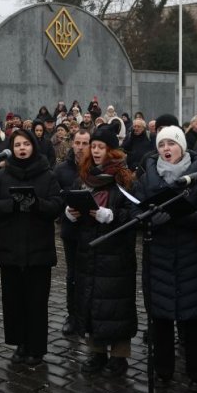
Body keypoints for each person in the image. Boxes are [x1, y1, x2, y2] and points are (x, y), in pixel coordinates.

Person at [135, 126, 197, 391]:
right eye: (162, 145)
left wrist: (183, 217)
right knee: (160, 319)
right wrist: (149, 220)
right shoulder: (148, 177)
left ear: (182, 146)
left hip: (191, 257)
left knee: (193, 320)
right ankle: (162, 371)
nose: (166, 149)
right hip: (158, 256)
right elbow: (134, 209)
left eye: (171, 144)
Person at [0, 129, 63, 366]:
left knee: (37, 301)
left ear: (33, 146)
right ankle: (19, 344)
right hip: (10, 248)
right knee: (14, 301)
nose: (21, 148)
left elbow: (57, 204)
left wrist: (37, 204)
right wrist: (13, 204)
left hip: (39, 248)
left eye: (25, 144)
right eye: (17, 144)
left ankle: (36, 348)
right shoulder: (0, 176)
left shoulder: (47, 175)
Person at [66, 126, 137, 377]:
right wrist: (70, 214)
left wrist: (112, 216)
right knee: (91, 301)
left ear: (111, 150)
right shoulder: (84, 177)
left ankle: (119, 357)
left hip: (116, 254)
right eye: (93, 147)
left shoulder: (123, 178)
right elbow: (74, 207)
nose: (95, 151)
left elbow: (134, 215)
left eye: (100, 147)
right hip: (89, 250)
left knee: (115, 306)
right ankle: (96, 353)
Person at [54, 128, 91, 336]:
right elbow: (54, 198)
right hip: (71, 230)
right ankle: (73, 315)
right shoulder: (61, 170)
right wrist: (65, 211)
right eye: (77, 143)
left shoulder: (95, 167)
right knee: (73, 275)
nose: (80, 147)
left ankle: (88, 315)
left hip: (93, 230)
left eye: (85, 143)